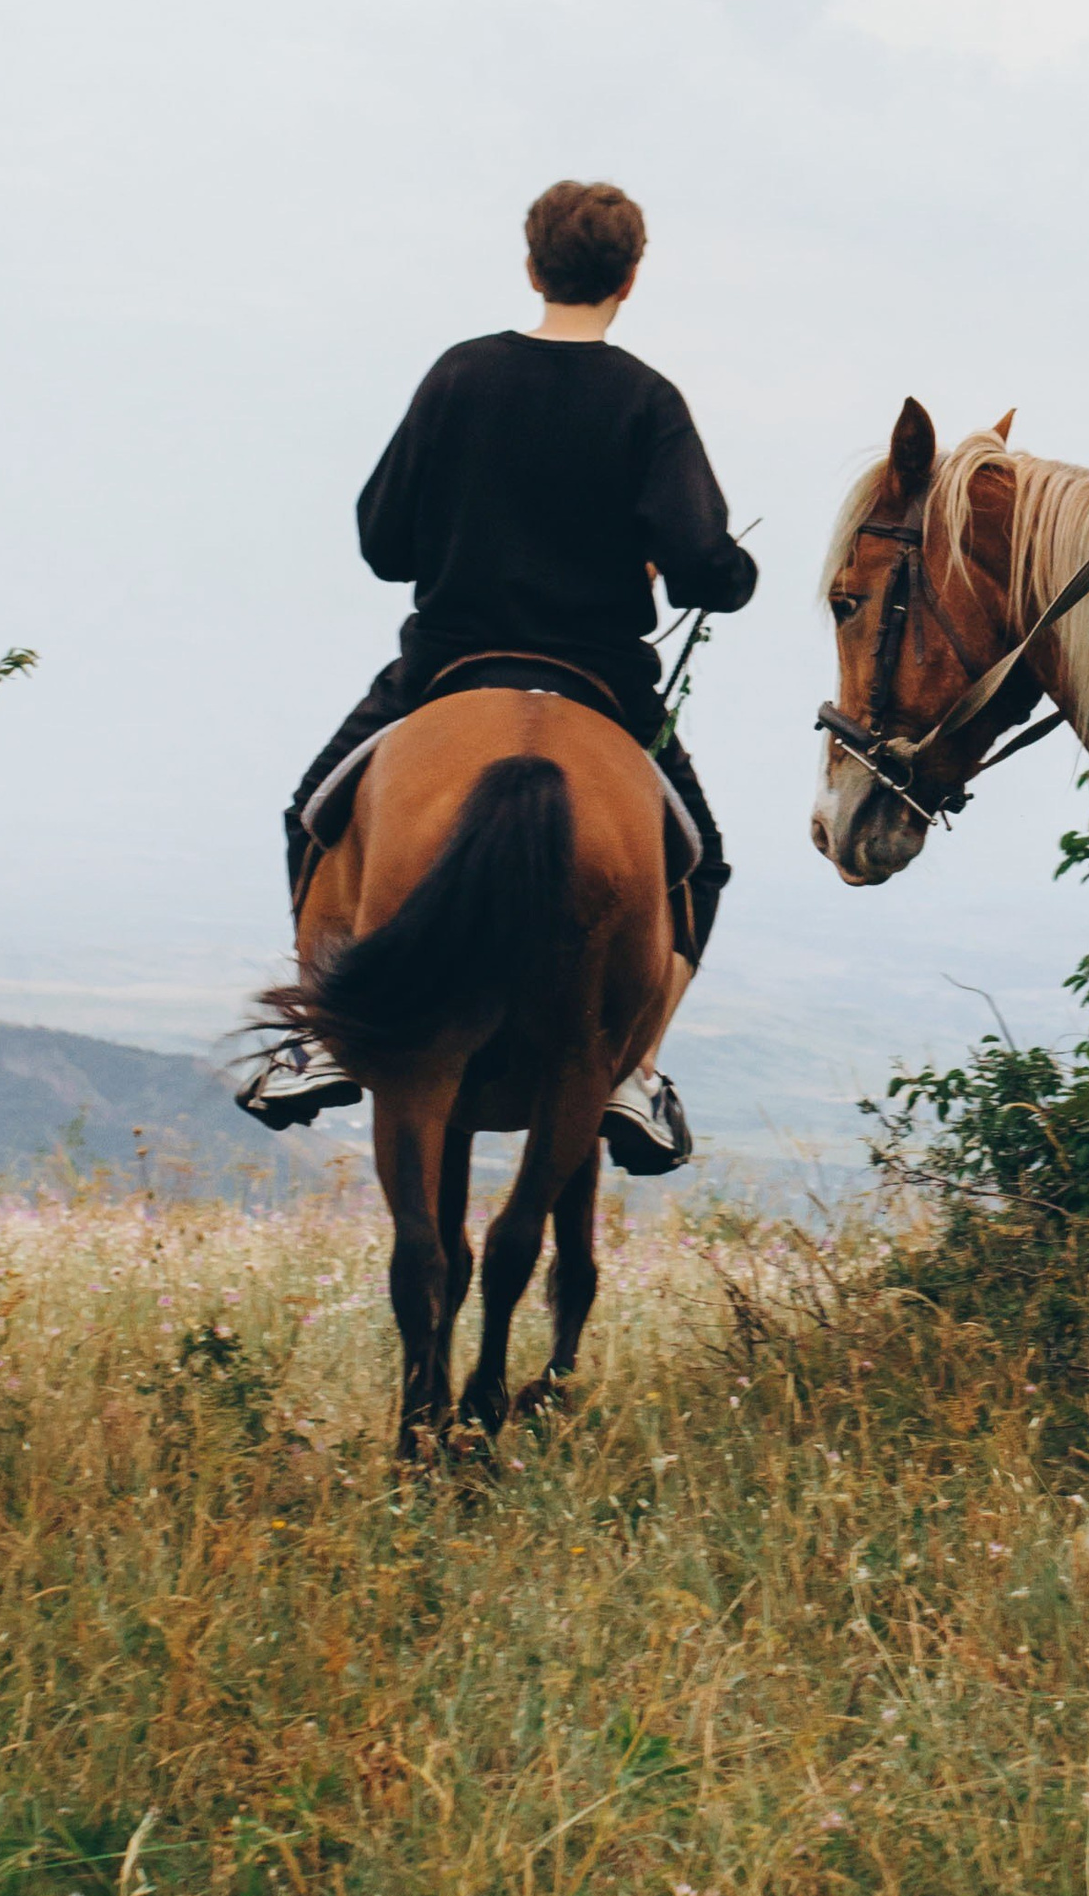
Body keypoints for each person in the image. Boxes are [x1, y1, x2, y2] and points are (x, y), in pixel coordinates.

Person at [239, 179, 757, 1166]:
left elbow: (383, 542)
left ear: (531, 267)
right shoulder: (649, 402)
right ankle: (634, 1071)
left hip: (448, 667)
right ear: (630, 278)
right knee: (703, 864)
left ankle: (319, 1037)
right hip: (602, 681)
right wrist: (721, 571)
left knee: (313, 812)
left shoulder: (460, 375)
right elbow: (705, 569)